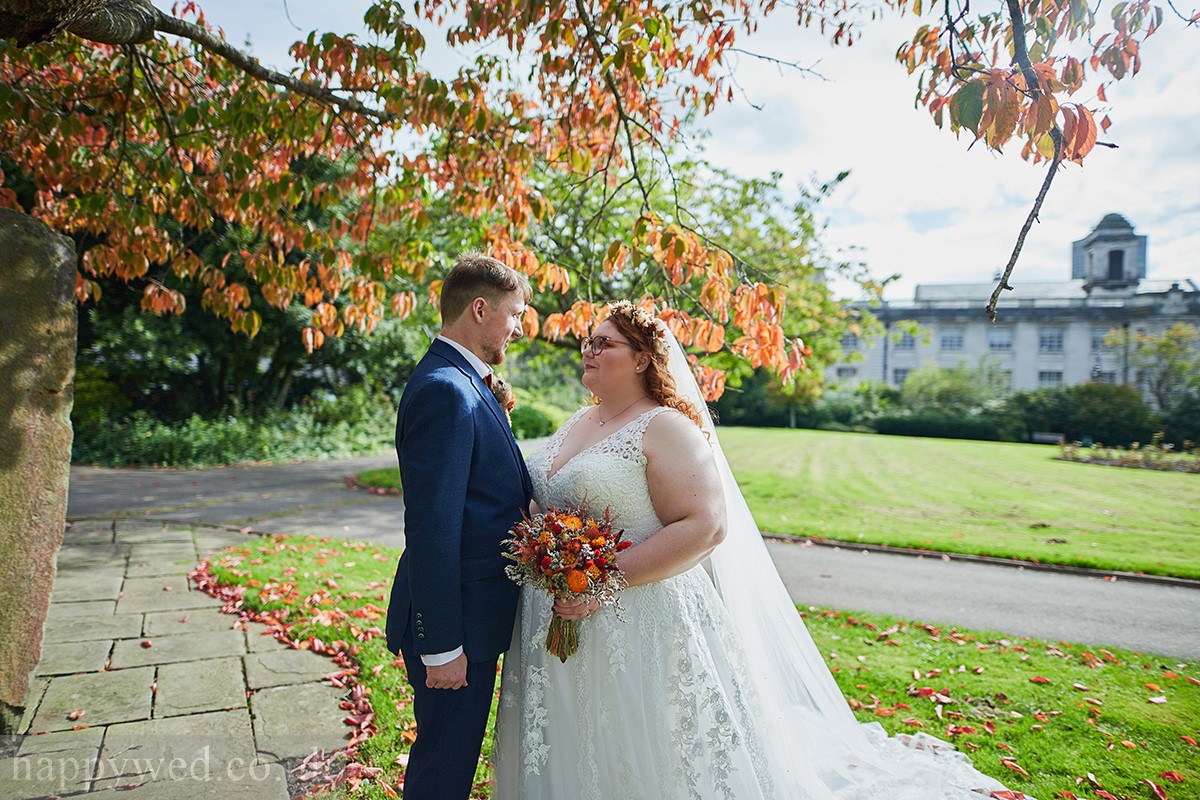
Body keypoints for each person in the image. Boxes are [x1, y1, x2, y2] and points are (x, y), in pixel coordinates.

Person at [492, 301, 1026, 799]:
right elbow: (544, 496)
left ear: (641, 360)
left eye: (604, 343)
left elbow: (705, 526)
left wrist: (603, 581)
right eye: (588, 340)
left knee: (642, 740)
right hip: (560, 612)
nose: (588, 348)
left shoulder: (667, 429)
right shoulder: (578, 421)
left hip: (638, 616)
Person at [385, 253, 533, 800]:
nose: (519, 327)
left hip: (476, 620)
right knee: (443, 772)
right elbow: (432, 527)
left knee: (453, 760)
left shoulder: (466, 383)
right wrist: (441, 644)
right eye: (515, 313)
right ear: (479, 309)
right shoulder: (446, 390)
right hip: (455, 628)